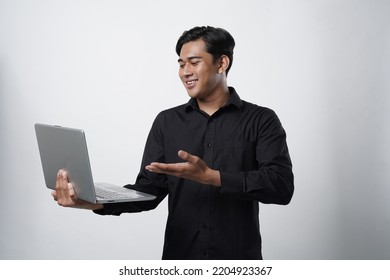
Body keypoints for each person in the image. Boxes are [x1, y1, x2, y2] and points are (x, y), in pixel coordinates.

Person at [53, 26, 294, 260]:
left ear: (222, 63)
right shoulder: (167, 122)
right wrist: (92, 202)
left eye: (194, 62)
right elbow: (149, 191)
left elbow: (281, 187)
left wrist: (213, 177)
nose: (185, 71)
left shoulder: (261, 119)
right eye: (181, 64)